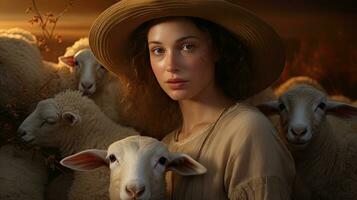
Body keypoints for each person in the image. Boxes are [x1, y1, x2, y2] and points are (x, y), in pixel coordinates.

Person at [89, 0, 296, 199]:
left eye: (187, 47)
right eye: (158, 50)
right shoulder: (166, 145)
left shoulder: (248, 131)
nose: (171, 65)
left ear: (217, 49)